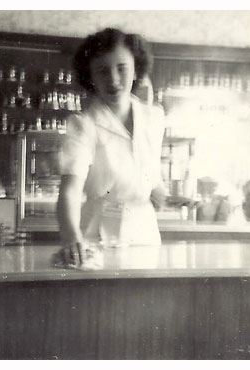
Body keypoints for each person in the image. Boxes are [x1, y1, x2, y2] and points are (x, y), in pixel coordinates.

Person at [57, 28, 167, 267]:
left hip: (145, 237)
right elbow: (70, 189)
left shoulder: (154, 118)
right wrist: (71, 236)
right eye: (102, 71)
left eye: (122, 68)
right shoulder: (83, 125)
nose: (114, 80)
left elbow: (149, 174)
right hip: (96, 238)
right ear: (91, 77)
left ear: (136, 69)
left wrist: (158, 189)